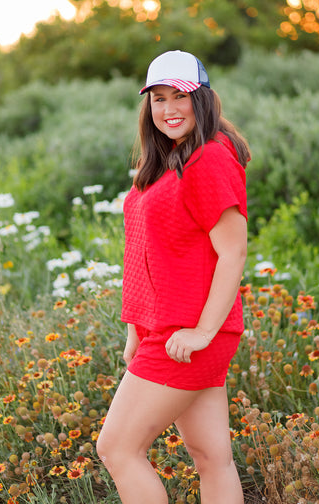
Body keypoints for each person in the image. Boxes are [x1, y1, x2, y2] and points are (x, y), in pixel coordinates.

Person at [96, 50, 250, 504]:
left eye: (179, 97)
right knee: (211, 456)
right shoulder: (169, 162)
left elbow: (233, 252)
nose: (168, 110)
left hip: (187, 334)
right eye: (158, 99)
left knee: (118, 448)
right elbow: (144, 252)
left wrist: (204, 331)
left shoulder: (209, 159)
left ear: (202, 98)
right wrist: (134, 329)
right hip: (165, 331)